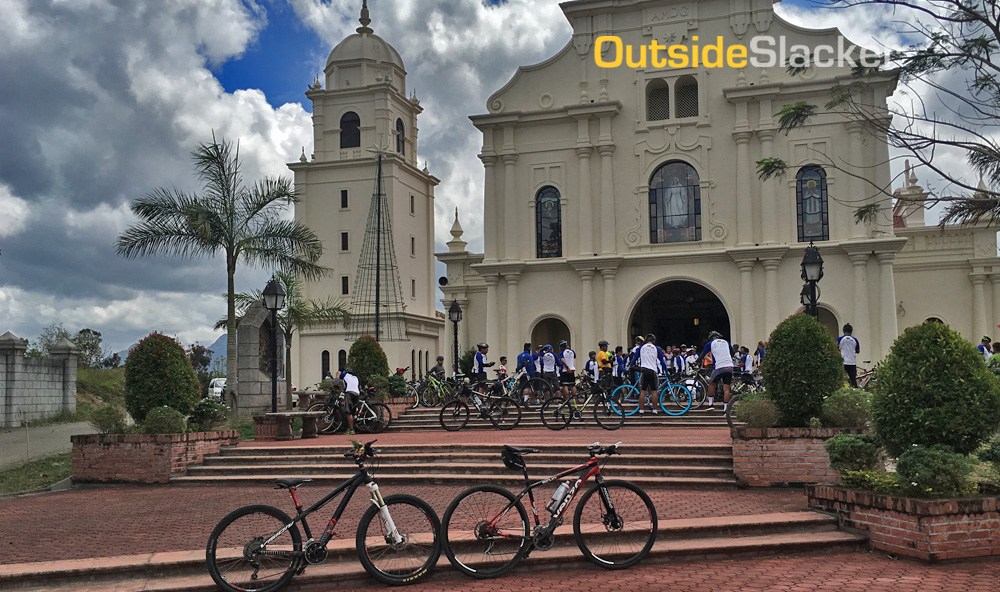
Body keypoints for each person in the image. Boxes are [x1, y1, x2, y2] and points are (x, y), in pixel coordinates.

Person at [632, 333, 668, 414]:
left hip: (644, 370)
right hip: (652, 371)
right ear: (653, 340)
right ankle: (654, 410)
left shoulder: (641, 348)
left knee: (643, 391)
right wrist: (666, 371)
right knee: (654, 391)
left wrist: (630, 366)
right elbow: (662, 361)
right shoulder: (656, 348)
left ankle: (641, 410)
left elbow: (634, 358)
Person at [697, 331, 734, 411]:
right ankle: (726, 410)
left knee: (711, 383)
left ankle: (710, 405)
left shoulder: (710, 344)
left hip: (719, 367)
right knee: (726, 388)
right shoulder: (726, 342)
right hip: (729, 366)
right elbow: (733, 352)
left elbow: (702, 354)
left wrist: (696, 362)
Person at [337, 367, 361, 435]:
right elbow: (359, 387)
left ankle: (351, 429)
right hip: (356, 394)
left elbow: (338, 373)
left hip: (349, 393)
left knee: (348, 412)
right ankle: (351, 427)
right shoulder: (356, 377)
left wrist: (336, 381)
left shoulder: (345, 374)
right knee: (352, 412)